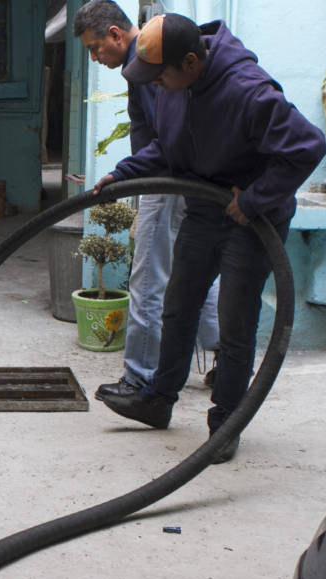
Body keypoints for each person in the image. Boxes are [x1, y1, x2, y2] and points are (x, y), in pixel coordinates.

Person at [93, 13, 326, 463]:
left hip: (249, 217)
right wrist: (123, 174)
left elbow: (307, 146)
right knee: (178, 307)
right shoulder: (175, 86)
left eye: (160, 74)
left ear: (192, 62)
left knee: (235, 321)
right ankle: (158, 399)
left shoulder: (249, 91)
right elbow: (168, 145)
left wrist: (256, 199)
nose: (156, 84)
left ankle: (225, 425)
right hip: (204, 207)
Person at [72, 0, 220, 401]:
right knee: (196, 270)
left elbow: (166, 137)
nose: (94, 56)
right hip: (180, 176)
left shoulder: (150, 63)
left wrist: (139, 177)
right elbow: (148, 132)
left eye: (95, 47)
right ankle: (221, 355)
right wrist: (129, 174)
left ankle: (139, 377)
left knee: (149, 280)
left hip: (170, 179)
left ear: (116, 35)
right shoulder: (140, 68)